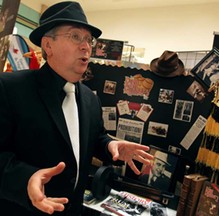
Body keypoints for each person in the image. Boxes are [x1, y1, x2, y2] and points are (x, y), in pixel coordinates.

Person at [0, 2, 153, 216]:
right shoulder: (9, 88)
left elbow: (94, 138)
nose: (86, 46)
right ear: (48, 45)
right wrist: (26, 178)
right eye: (75, 36)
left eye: (89, 40)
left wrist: (110, 145)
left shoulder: (90, 99)